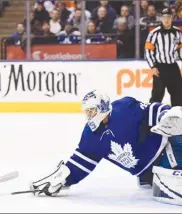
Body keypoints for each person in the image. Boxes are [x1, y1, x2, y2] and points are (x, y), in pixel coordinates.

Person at [30, 90, 182, 206]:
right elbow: (80, 164)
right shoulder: (91, 135)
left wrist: (168, 114)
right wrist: (61, 179)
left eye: (92, 111)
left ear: (102, 107)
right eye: (87, 112)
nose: (89, 116)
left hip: (168, 148)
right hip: (149, 173)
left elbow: (154, 110)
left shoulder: (125, 108)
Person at [145, 8, 182, 107]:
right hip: (160, 67)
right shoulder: (154, 33)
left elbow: (180, 49)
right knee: (157, 94)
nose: (166, 20)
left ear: (172, 18)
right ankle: (152, 116)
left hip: (173, 66)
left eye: (169, 17)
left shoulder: (178, 32)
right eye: (164, 17)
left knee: (178, 93)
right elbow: (148, 51)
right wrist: (153, 67)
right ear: (161, 18)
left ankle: (178, 116)